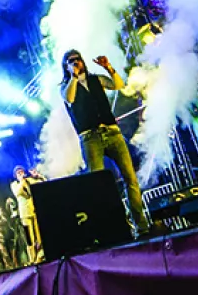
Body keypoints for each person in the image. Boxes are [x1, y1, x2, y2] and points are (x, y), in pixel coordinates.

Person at [60, 49, 149, 233]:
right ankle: (110, 229)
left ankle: (141, 226)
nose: (76, 62)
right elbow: (69, 98)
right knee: (97, 185)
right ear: (66, 66)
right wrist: (74, 77)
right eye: (71, 61)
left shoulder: (96, 79)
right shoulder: (67, 86)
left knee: (130, 178)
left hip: (112, 132)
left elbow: (118, 85)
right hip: (90, 137)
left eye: (78, 59)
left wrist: (109, 67)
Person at [10, 166, 46, 263]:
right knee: (30, 239)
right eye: (18, 173)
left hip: (34, 212)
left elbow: (43, 184)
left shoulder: (29, 180)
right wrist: (22, 181)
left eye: (22, 172)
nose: (20, 174)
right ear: (15, 176)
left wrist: (38, 176)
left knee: (39, 236)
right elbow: (17, 192)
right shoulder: (14, 184)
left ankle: (40, 257)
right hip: (24, 215)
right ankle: (32, 259)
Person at [4, 197, 29, 266]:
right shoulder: (11, 217)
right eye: (10, 204)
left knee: (24, 242)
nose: (11, 205)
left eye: (12, 203)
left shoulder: (18, 209)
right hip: (16, 227)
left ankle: (27, 260)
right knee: (17, 245)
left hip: (20, 225)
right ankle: (20, 261)